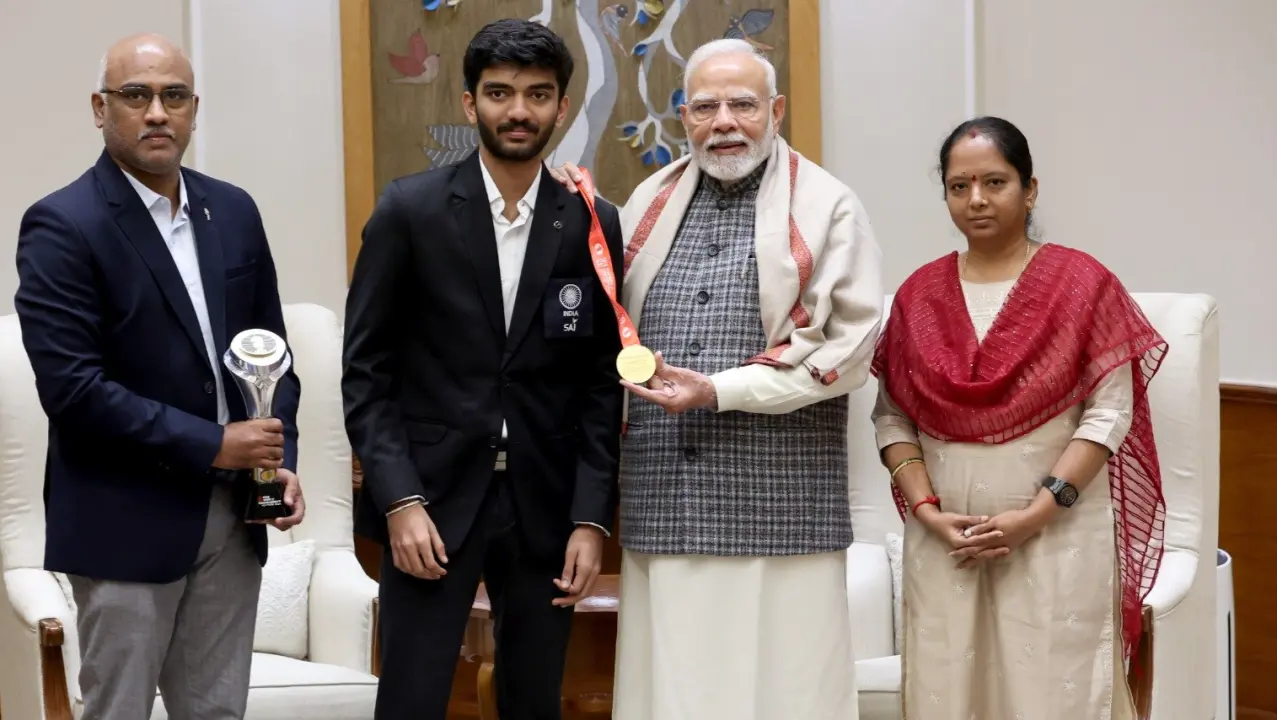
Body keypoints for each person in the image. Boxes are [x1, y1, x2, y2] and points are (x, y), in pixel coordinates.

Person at [550, 38, 883, 720]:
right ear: (681, 116)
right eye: (704, 106)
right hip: (663, 499)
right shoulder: (649, 199)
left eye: (741, 104)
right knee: (672, 691)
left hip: (782, 505)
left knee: (786, 692)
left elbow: (846, 352)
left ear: (776, 109)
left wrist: (718, 391)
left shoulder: (828, 207)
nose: (723, 122)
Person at [13, 33, 304, 720]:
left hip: (234, 517)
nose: (156, 113)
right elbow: (73, 391)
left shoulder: (232, 210)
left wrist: (277, 456)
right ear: (100, 107)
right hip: (124, 522)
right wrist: (214, 443)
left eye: (173, 96)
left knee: (216, 713)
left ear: (193, 108)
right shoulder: (62, 224)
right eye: (136, 95)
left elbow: (272, 356)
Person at [342, 19, 625, 720]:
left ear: (562, 107)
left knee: (534, 702)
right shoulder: (409, 210)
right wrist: (398, 501)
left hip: (545, 512)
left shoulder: (591, 221)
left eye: (537, 94)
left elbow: (597, 382)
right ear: (470, 104)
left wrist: (591, 518)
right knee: (410, 701)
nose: (518, 110)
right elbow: (366, 374)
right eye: (499, 93)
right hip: (430, 509)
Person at [870, 116, 1168, 719]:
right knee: (948, 696)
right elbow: (892, 419)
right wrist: (928, 514)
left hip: (1057, 536)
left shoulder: (1082, 284)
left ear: (1030, 189)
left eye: (994, 182)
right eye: (959, 186)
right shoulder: (918, 296)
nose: (975, 199)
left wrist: (1036, 514)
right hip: (946, 541)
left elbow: (1109, 412)